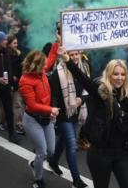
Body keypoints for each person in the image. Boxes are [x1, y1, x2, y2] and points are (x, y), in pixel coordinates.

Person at [58, 37, 128, 188]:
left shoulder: (127, 90)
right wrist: (67, 59)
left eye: (122, 74)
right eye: (115, 74)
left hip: (121, 152)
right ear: (108, 75)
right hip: (100, 153)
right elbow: (82, 77)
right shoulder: (99, 91)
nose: (119, 78)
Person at [19, 37, 59, 188]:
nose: (46, 67)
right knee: (42, 151)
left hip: (46, 118)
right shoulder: (25, 81)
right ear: (35, 65)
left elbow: (51, 58)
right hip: (32, 120)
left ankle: (35, 163)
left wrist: (57, 42)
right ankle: (38, 179)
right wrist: (51, 109)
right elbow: (32, 105)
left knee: (51, 150)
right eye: (42, 65)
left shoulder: (41, 71)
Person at [48, 50, 90, 188]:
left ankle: (53, 161)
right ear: (64, 56)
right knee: (72, 145)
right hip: (63, 113)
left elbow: (89, 89)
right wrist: (53, 110)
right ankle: (76, 180)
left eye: (76, 54)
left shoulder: (85, 68)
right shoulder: (57, 72)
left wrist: (81, 99)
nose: (74, 57)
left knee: (64, 141)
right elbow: (53, 95)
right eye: (71, 55)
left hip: (77, 111)